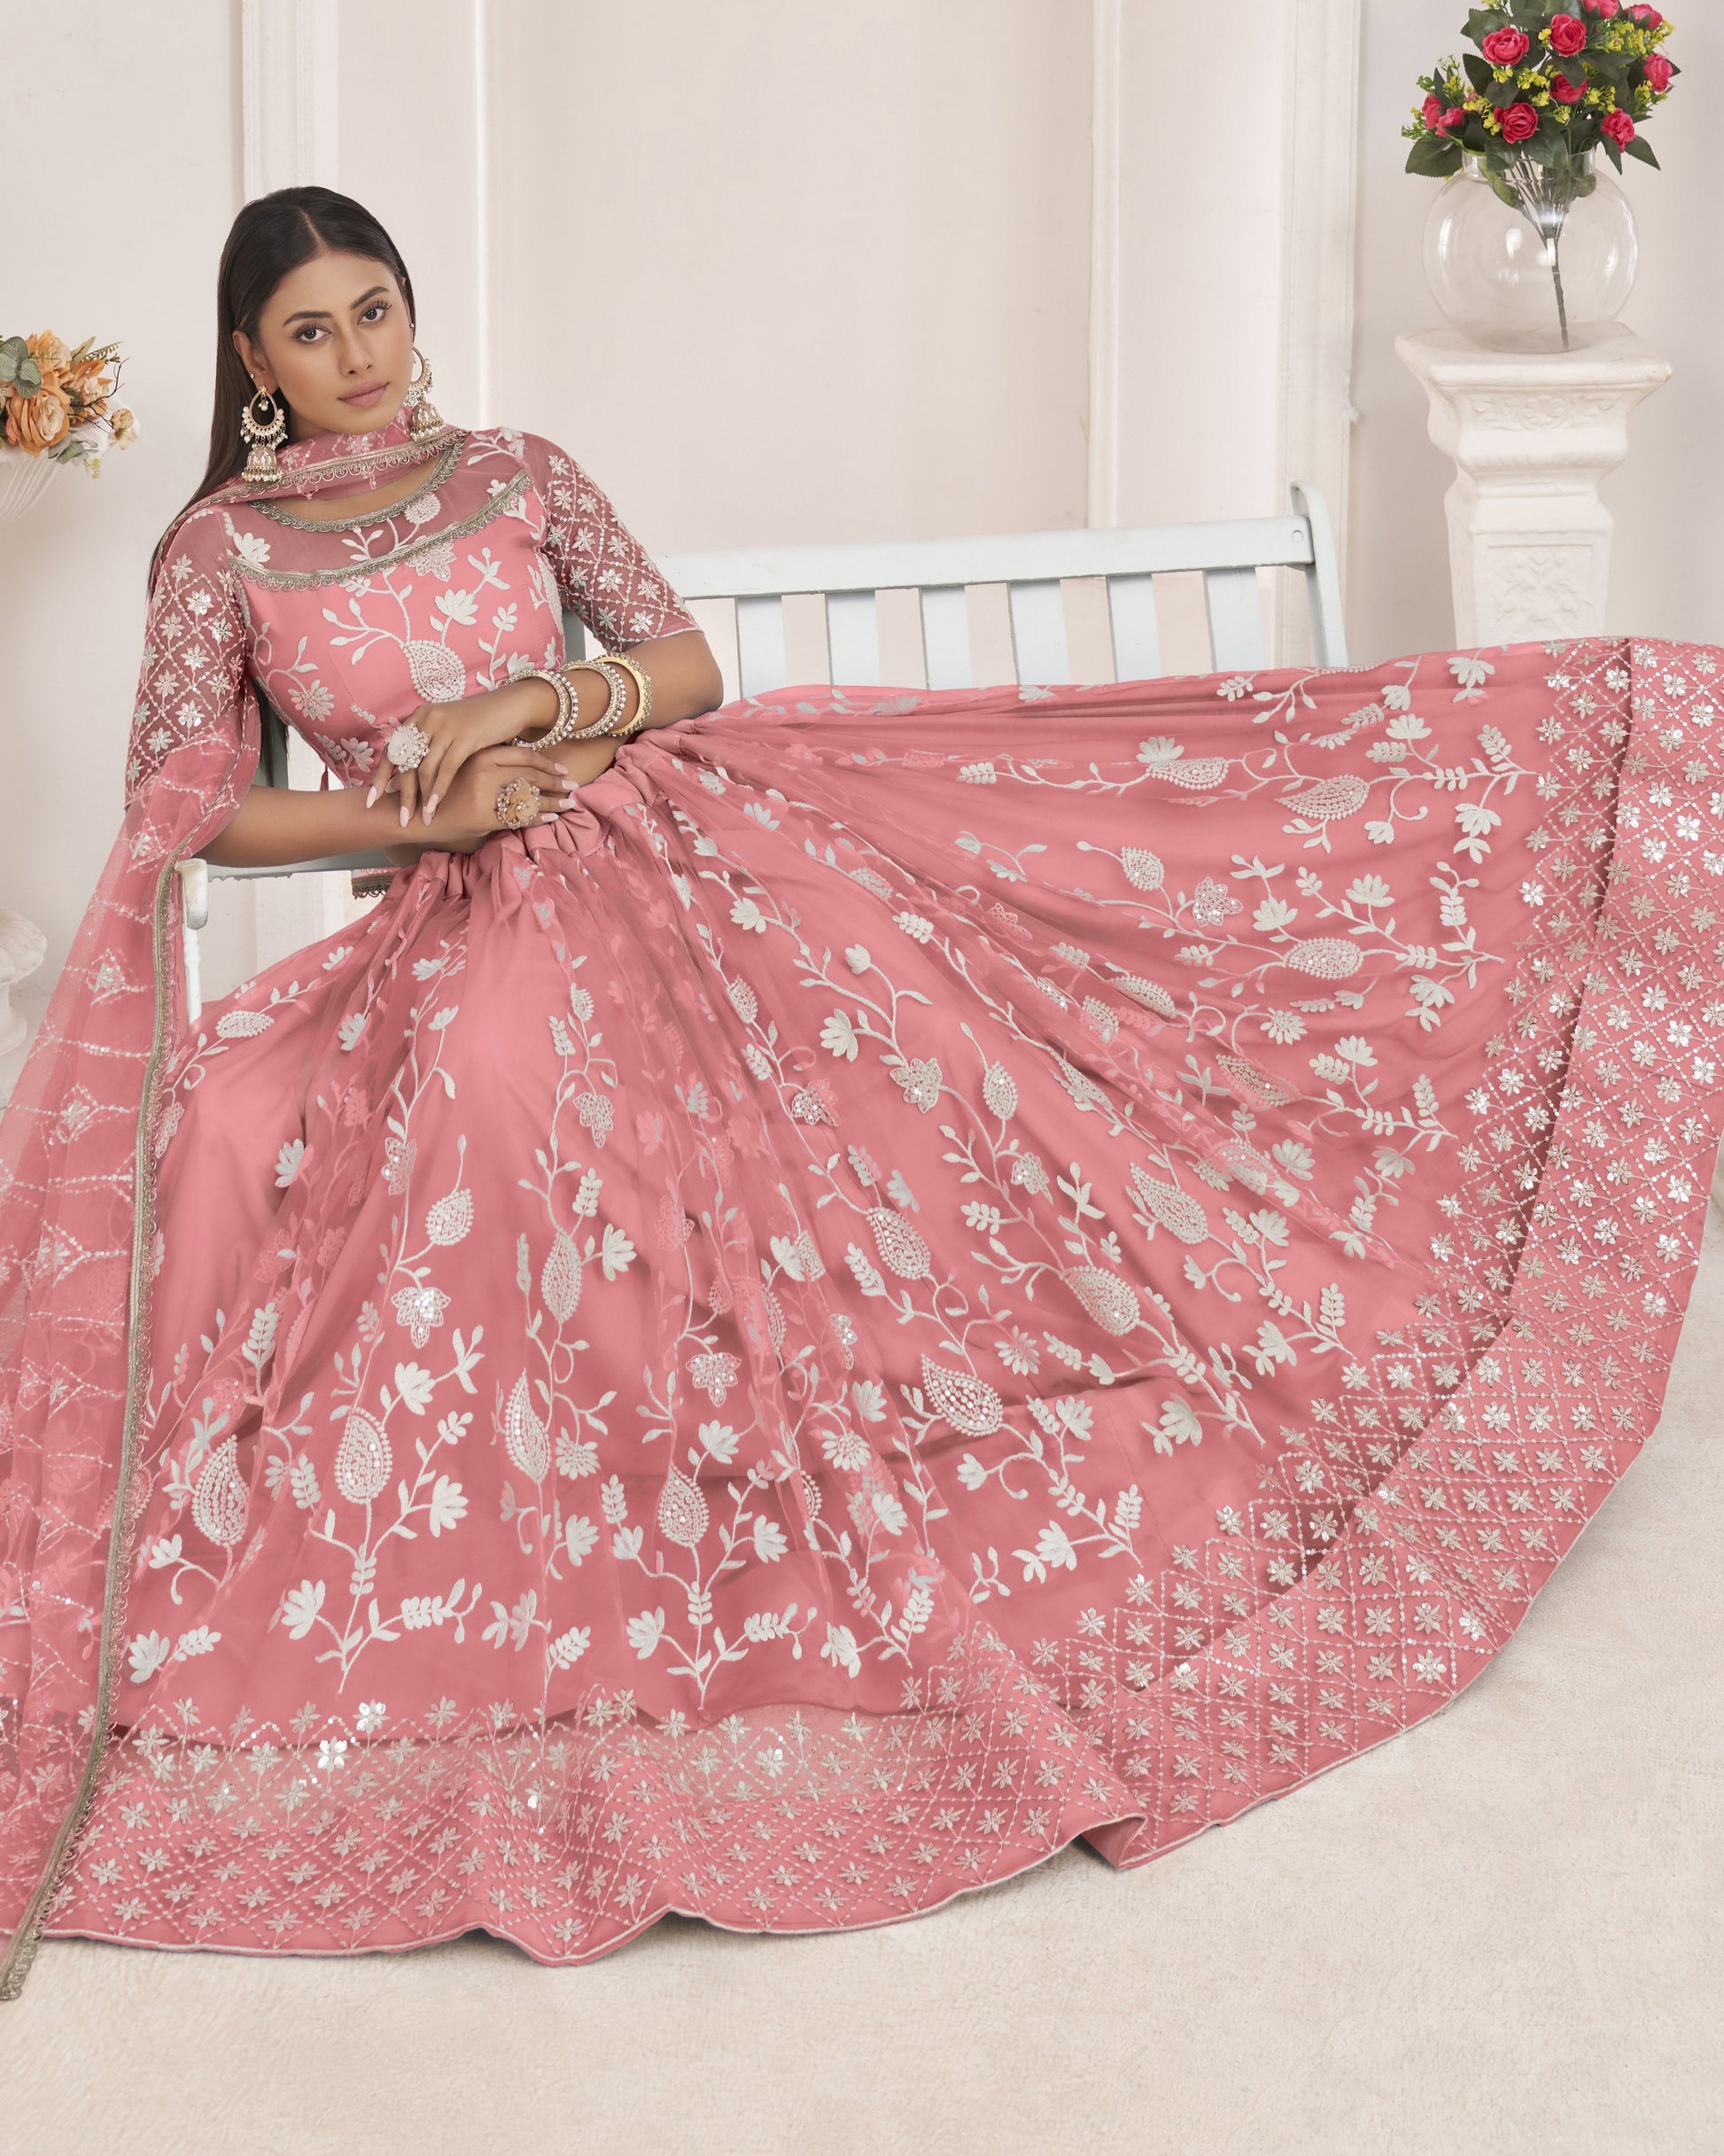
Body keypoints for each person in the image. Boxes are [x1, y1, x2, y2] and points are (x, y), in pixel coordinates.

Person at [3, 185, 1722, 2003]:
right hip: (463, 904)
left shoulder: (515, 470)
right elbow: (190, 808)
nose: (357, 357)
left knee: (925, 998)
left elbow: (679, 662)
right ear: (250, 364)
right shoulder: (223, 551)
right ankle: (583, 1558)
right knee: (476, 1099)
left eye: (377, 312)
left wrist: (524, 719)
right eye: (312, 332)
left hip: (671, 826)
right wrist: (419, 814)